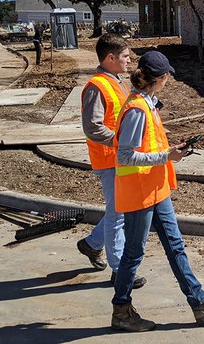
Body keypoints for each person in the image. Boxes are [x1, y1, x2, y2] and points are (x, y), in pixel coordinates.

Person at [110, 51, 204, 332]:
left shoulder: (148, 104)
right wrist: (167, 156)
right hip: (139, 192)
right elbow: (125, 157)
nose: (168, 81)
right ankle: (121, 310)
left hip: (155, 189)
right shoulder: (136, 111)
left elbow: (151, 148)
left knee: (175, 245)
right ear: (161, 78)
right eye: (167, 76)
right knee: (133, 253)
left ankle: (199, 302)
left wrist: (170, 153)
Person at [76, 33, 146, 289]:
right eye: (126, 56)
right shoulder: (97, 86)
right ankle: (119, 270)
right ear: (111, 57)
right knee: (118, 215)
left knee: (119, 210)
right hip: (109, 160)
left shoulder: (116, 82)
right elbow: (92, 127)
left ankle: (92, 244)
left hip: (120, 158)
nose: (130, 60)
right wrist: (121, 142)